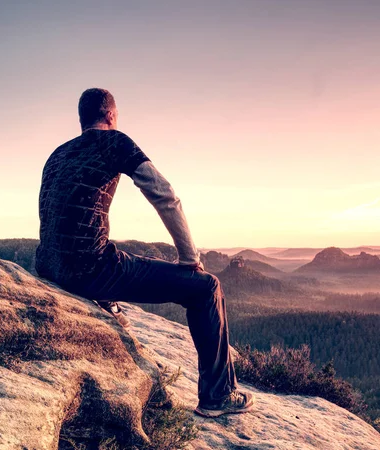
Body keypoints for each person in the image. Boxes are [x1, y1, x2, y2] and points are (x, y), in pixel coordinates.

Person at [35, 88, 254, 418]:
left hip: (47, 266)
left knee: (105, 248)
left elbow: (53, 214)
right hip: (89, 271)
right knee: (207, 288)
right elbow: (165, 196)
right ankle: (218, 396)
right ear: (111, 115)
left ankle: (105, 302)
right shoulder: (116, 141)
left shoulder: (57, 155)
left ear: (81, 119)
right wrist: (189, 258)